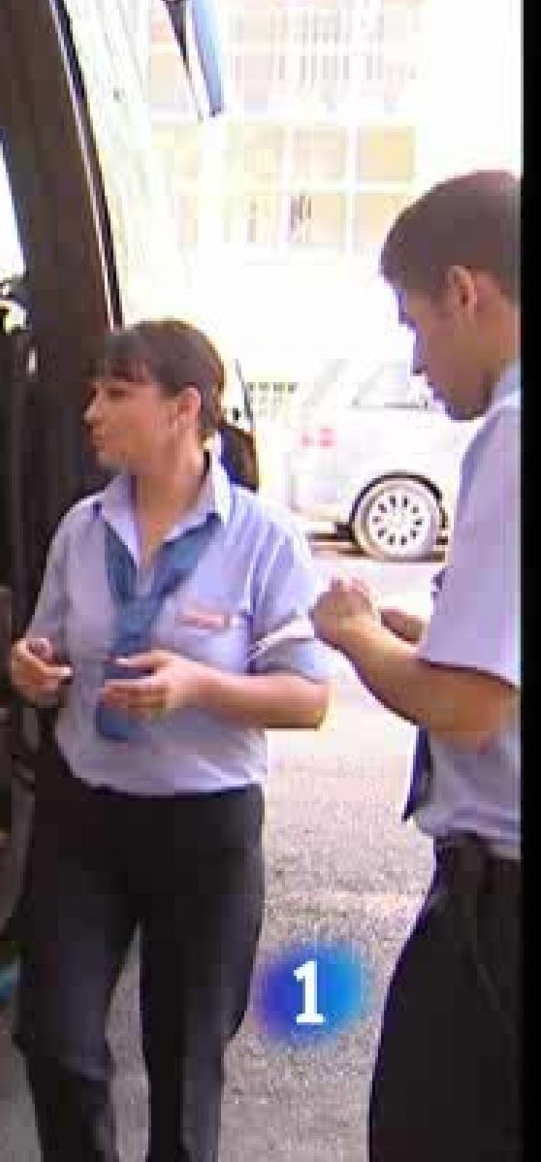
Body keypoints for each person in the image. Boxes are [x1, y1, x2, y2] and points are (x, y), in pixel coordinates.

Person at [6, 319, 332, 1162]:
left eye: (117, 393)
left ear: (185, 408)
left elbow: (308, 697)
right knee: (57, 1043)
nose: (91, 412)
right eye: (95, 390)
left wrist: (198, 685)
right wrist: (30, 667)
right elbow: (44, 643)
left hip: (205, 825)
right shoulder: (84, 527)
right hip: (84, 814)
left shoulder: (264, 537)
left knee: (186, 1068)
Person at [311, 170, 520, 1162]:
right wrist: (419, 632)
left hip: (502, 905)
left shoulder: (513, 436)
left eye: (415, 321)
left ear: (465, 291)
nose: (417, 357)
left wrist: (358, 633)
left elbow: (466, 705)